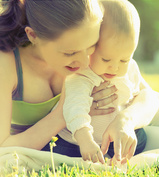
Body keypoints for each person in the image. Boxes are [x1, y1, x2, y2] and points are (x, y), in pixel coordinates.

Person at [59, 0, 159, 164]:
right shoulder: (83, 76)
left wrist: (128, 120)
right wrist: (86, 142)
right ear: (90, 46)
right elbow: (74, 109)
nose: (114, 67)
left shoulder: (130, 67)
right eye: (106, 59)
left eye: (124, 59)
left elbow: (148, 96)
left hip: (129, 131)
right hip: (95, 145)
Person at [0, 0, 118, 152]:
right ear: (33, 35)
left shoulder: (88, 32)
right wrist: (65, 114)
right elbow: (2, 147)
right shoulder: (6, 63)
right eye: (70, 53)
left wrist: (125, 121)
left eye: (91, 46)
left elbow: (147, 96)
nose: (84, 63)